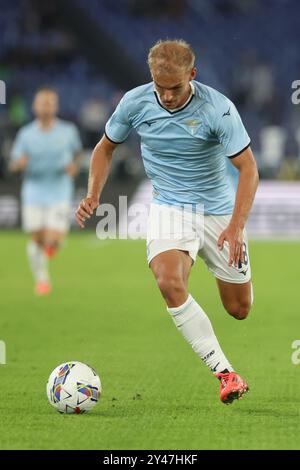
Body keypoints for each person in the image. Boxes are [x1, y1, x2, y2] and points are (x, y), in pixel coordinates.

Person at [75, 40, 259, 404]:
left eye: (175, 87)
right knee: (168, 281)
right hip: (169, 209)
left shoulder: (218, 109)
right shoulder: (134, 102)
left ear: (192, 75)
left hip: (219, 213)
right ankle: (225, 373)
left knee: (239, 309)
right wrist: (94, 193)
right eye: (160, 87)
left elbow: (248, 168)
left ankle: (222, 268)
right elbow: (104, 147)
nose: (168, 96)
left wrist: (236, 225)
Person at [10, 87, 82, 295]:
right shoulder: (26, 134)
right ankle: (42, 280)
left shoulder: (68, 131)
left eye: (50, 102)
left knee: (53, 238)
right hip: (34, 190)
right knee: (38, 239)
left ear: (56, 106)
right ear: (34, 106)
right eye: (42, 102)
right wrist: (19, 164)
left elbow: (78, 153)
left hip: (59, 189)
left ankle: (54, 244)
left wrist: (74, 166)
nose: (46, 106)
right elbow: (13, 164)